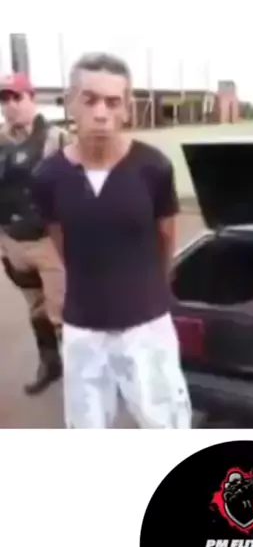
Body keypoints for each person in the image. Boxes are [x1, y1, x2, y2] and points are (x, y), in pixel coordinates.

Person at [32, 52, 191, 429]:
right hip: (83, 328)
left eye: (112, 102)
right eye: (89, 100)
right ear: (70, 102)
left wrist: (147, 289)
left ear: (127, 108)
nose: (101, 113)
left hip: (147, 326)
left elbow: (165, 238)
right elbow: (63, 242)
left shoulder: (153, 167)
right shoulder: (48, 176)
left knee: (166, 425)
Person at [0, 73, 67, 394]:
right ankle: (50, 364)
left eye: (17, 97)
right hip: (12, 241)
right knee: (36, 307)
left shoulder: (57, 139)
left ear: (32, 98)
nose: (10, 105)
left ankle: (86, 375)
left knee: (64, 312)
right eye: (4, 99)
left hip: (49, 242)